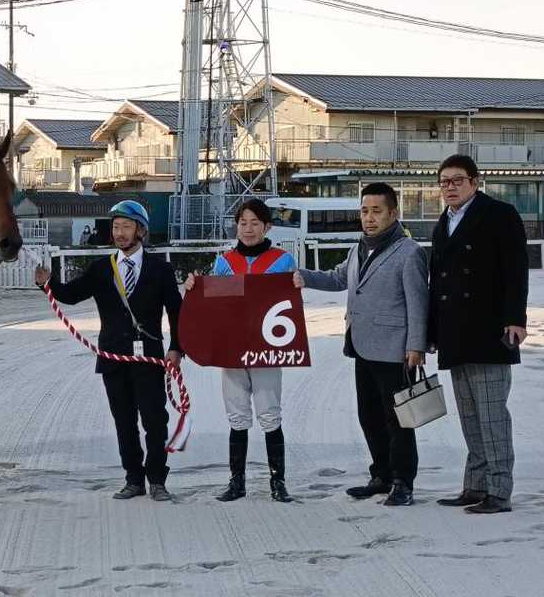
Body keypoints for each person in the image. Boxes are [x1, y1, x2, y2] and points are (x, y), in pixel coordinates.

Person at [34, 200, 183, 502]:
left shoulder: (161, 269)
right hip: (113, 358)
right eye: (116, 227)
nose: (120, 233)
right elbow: (72, 296)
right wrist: (47, 283)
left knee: (154, 421)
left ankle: (156, 479)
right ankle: (133, 479)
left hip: (149, 357)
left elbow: (177, 312)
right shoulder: (102, 269)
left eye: (127, 226)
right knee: (124, 421)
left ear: (140, 230)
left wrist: (177, 348)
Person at [294, 183, 428, 507]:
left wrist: (416, 346)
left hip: (396, 350)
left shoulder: (410, 252)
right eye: (365, 211)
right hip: (362, 345)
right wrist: (301, 276)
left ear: (393, 213)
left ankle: (403, 482)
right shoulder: (359, 249)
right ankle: (380, 474)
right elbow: (339, 279)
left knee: (399, 419)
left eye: (376, 211)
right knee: (369, 415)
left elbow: (418, 303)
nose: (369, 218)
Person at [429, 154, 528, 514]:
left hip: (490, 331)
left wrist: (516, 319)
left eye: (457, 180)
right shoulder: (444, 223)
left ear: (475, 181)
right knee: (470, 416)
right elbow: (437, 282)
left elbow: (516, 271)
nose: (450, 187)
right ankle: (475, 484)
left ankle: (499, 490)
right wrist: (432, 330)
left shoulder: (499, 214)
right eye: (444, 182)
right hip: (455, 332)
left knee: (491, 414)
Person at [184, 198, 297, 503]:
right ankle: (237, 482)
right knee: (237, 416)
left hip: (266, 349)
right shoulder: (224, 262)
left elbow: (287, 306)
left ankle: (278, 481)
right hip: (232, 349)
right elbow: (213, 303)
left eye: (255, 223)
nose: (248, 229)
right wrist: (195, 286)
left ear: (267, 226)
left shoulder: (283, 261)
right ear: (237, 225)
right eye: (243, 223)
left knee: (270, 415)